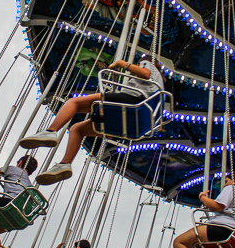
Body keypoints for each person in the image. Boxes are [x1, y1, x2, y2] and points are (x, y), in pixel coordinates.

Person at [19, 55, 164, 185]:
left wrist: (121, 63)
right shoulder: (161, 83)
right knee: (77, 129)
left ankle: (50, 131)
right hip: (138, 123)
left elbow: (145, 74)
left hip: (132, 101)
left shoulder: (147, 63)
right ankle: (65, 164)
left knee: (73, 103)